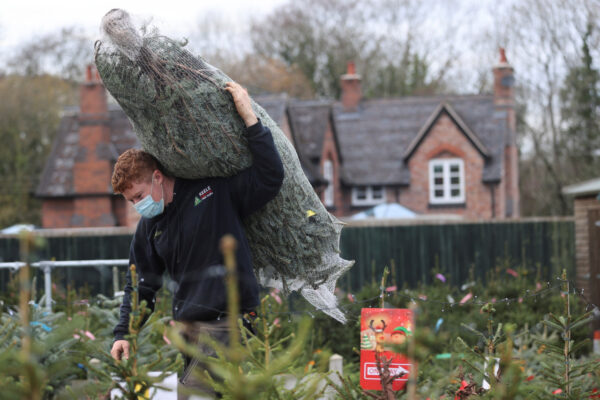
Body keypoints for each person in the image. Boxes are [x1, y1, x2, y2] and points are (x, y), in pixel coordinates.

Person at [109, 81, 284, 398]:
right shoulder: (151, 227)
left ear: (158, 177)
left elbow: (269, 177)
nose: (138, 206)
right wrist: (124, 332)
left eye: (139, 195)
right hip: (190, 333)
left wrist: (249, 118)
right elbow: (140, 285)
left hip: (233, 322)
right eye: (131, 202)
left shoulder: (212, 192)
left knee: (195, 395)